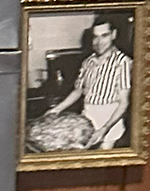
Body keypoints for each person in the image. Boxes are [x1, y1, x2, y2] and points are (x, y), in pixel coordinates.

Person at [43, 18, 132, 149]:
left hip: (110, 122)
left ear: (113, 35)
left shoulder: (123, 62)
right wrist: (56, 109)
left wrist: (104, 129)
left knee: (102, 163)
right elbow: (78, 90)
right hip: (87, 119)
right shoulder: (88, 62)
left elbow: (124, 102)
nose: (99, 42)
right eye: (95, 37)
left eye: (104, 36)